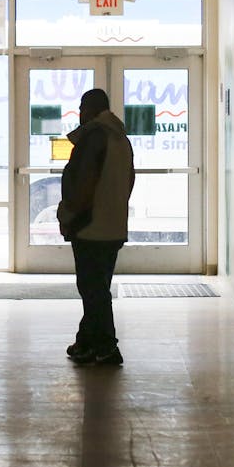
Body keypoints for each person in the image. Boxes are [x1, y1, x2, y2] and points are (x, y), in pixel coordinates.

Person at [57, 88, 135, 366]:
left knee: (93, 289)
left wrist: (69, 214)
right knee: (97, 285)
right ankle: (87, 342)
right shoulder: (121, 138)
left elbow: (83, 184)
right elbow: (129, 181)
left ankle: (106, 346)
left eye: (81, 107)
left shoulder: (94, 137)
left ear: (90, 109)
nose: (79, 113)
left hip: (91, 226)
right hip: (113, 225)